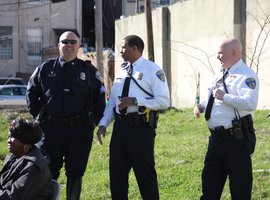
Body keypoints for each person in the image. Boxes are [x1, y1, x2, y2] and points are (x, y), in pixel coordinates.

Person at [26, 31, 106, 200]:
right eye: (65, 42)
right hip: (51, 129)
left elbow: (100, 97)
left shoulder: (89, 70)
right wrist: (39, 117)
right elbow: (31, 93)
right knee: (47, 170)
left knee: (76, 171)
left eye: (73, 42)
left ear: (79, 46)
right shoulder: (45, 68)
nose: (69, 45)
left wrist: (94, 122)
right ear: (59, 45)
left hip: (80, 131)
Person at [96, 35, 170, 200]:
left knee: (145, 177)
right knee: (117, 176)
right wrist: (103, 124)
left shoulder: (152, 70)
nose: (120, 51)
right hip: (120, 130)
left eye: (123, 47)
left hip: (141, 129)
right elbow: (113, 103)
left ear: (135, 48)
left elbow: (164, 101)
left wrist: (136, 101)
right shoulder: (122, 71)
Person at [194, 38, 259, 200]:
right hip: (216, 140)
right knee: (209, 188)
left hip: (236, 140)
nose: (217, 57)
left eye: (220, 53)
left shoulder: (246, 75)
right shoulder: (220, 74)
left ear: (234, 53)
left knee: (240, 190)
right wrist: (202, 106)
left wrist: (226, 97)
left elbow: (250, 103)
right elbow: (212, 98)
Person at [0, 118, 52, 199]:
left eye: (13, 137)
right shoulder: (14, 155)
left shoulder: (34, 167)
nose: (8, 140)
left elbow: (14, 197)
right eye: (9, 136)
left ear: (26, 146)